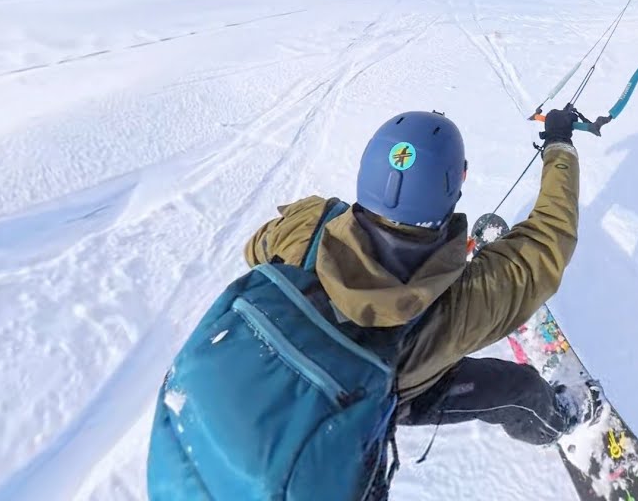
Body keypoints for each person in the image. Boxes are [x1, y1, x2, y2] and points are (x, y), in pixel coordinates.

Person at [241, 107, 602, 494]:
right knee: (519, 388)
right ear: (455, 183)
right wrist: (559, 145)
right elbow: (549, 240)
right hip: (390, 400)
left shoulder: (308, 224)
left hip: (270, 388)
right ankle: (558, 422)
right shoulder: (462, 303)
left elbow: (256, 252)